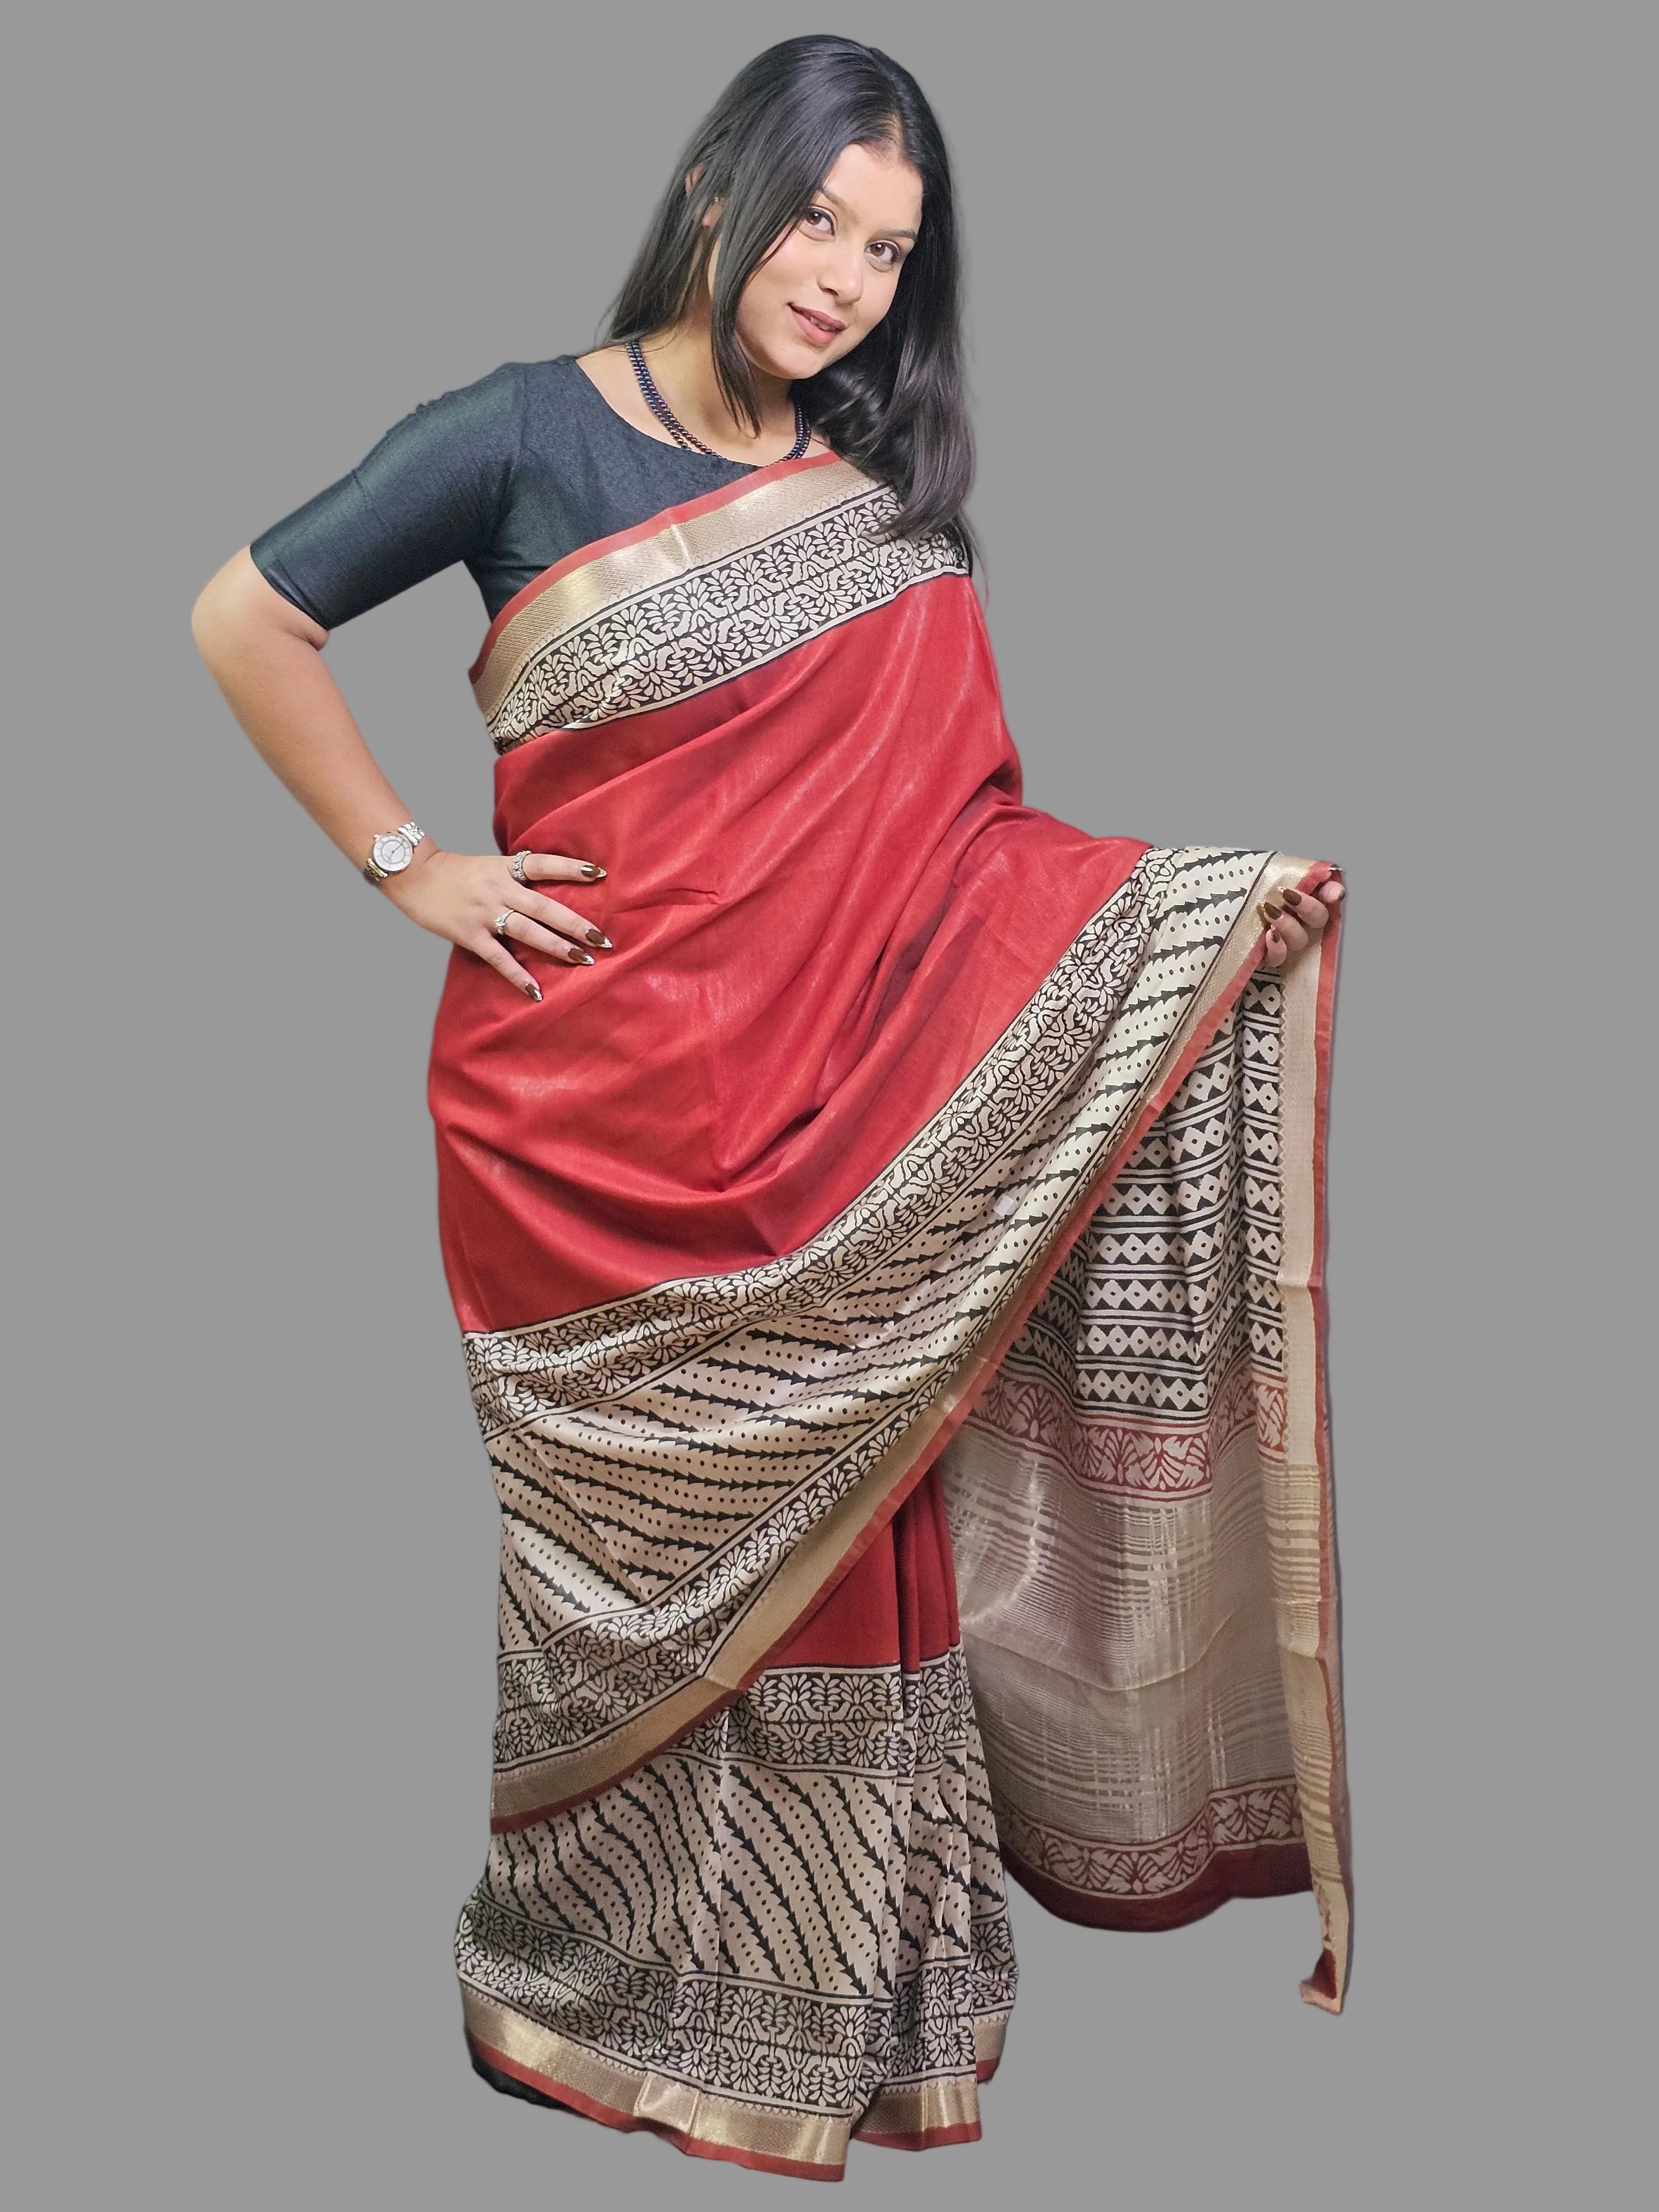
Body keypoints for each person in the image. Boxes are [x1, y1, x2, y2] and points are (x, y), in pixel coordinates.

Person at [193, 33, 1350, 2181]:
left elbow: (962, 861)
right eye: (817, 217)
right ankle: (569, 1989)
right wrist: (408, 863)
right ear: (717, 190)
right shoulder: (517, 431)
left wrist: (1195, 913)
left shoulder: (873, 512)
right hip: (584, 1135)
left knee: (846, 1544)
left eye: (888, 252)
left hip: (842, 1153)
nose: (840, 278)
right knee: (610, 1597)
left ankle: (822, 2021)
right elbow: (244, 612)